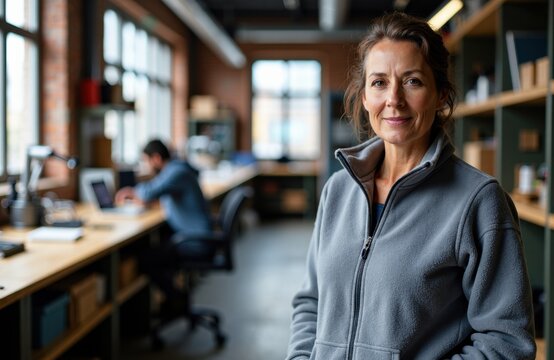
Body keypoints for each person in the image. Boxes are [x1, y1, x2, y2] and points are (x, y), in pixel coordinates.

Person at [286, 12, 536, 360]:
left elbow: (507, 342)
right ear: (363, 98)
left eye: (413, 81)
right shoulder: (338, 190)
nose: (394, 99)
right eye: (379, 83)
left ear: (440, 96)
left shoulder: (478, 202)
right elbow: (311, 302)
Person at [116, 139, 213, 304]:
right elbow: (162, 195)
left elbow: (150, 192)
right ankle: (172, 298)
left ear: (156, 158)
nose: (146, 166)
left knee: (147, 260)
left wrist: (131, 191)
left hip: (195, 241)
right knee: (156, 245)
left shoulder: (176, 172)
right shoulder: (179, 168)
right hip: (191, 234)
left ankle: (177, 301)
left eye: (146, 161)